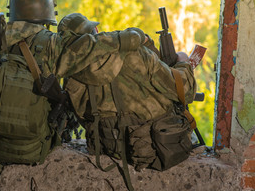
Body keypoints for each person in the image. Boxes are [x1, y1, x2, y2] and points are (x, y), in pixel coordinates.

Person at [0, 0, 148, 167]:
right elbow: (89, 48)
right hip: (34, 148)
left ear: (14, 11)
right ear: (47, 13)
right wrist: (129, 38)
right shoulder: (52, 44)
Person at [58, 13, 197, 172]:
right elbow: (186, 92)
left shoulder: (70, 75)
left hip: (109, 147)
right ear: (96, 30)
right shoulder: (135, 54)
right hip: (157, 146)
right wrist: (183, 64)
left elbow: (82, 117)